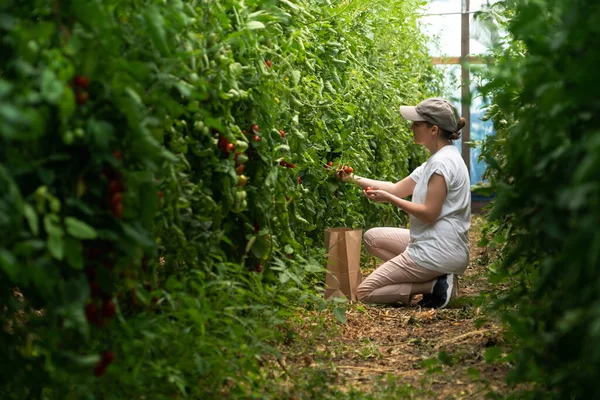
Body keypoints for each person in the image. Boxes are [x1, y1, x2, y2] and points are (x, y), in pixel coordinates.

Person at [338, 97, 471, 308]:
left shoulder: (441, 165)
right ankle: (439, 278)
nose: (411, 127)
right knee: (373, 238)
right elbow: (396, 188)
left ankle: (432, 286)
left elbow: (429, 213)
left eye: (417, 124)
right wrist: (351, 178)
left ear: (434, 130)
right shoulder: (439, 159)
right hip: (439, 242)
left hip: (437, 250)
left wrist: (391, 200)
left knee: (364, 292)